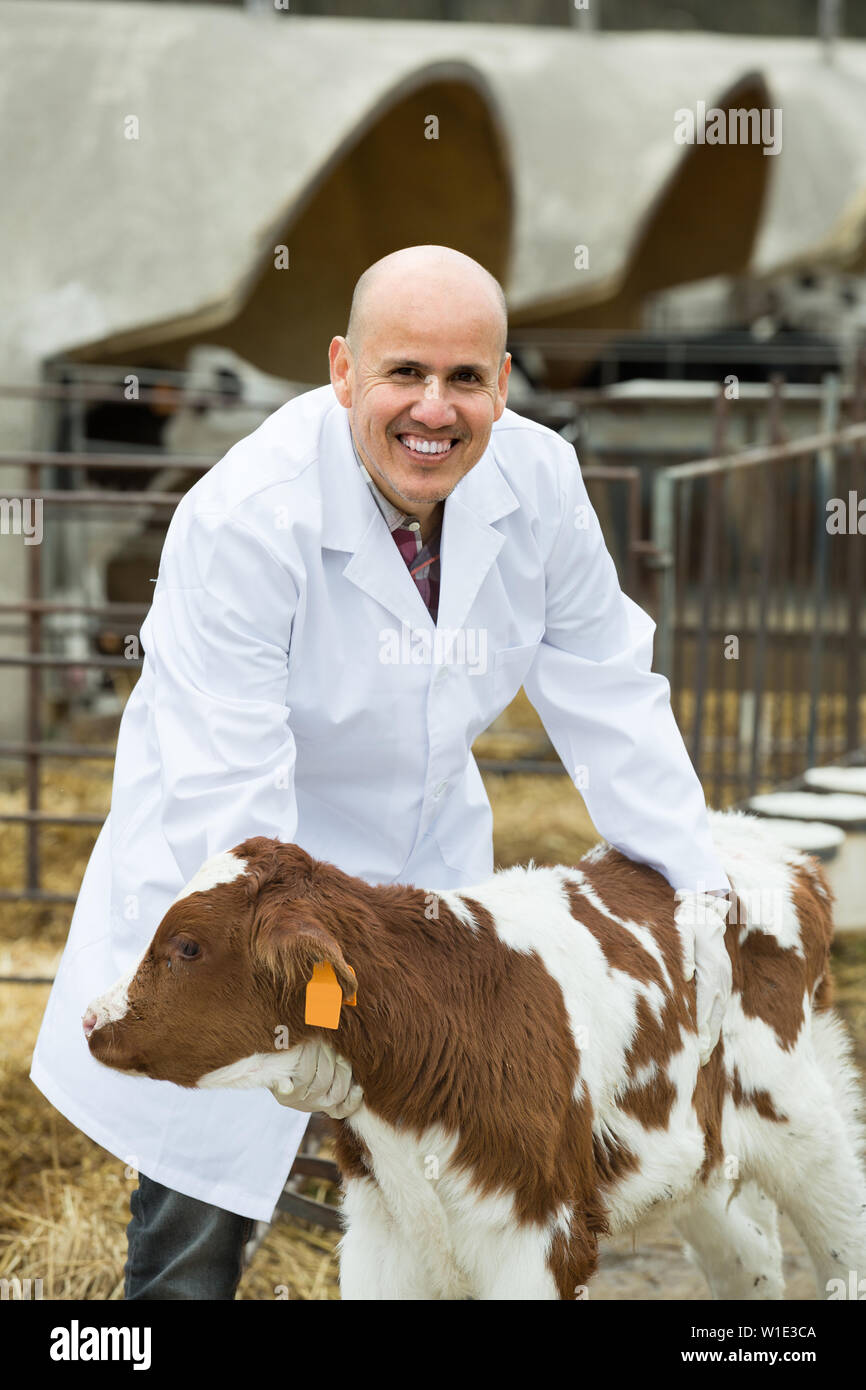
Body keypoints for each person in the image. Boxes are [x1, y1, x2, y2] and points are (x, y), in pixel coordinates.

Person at [30, 245, 731, 1300]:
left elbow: (608, 693)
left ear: (503, 382)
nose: (432, 410)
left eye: (463, 378)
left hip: (425, 885)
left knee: (450, 1203)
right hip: (241, 891)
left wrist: (699, 891)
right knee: (198, 1226)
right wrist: (297, 994)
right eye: (403, 372)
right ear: (342, 372)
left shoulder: (536, 483)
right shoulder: (245, 517)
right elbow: (237, 801)